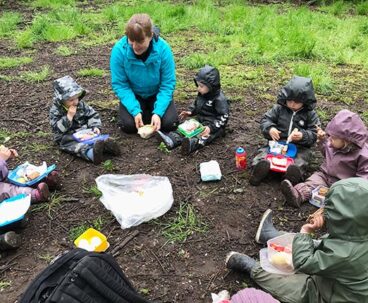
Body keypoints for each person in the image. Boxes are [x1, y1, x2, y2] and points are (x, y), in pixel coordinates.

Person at [226, 177, 368, 303]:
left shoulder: (346, 254)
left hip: (327, 296)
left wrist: (305, 232)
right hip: (333, 279)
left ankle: (252, 267)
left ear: (341, 220)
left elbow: (304, 262)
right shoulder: (359, 232)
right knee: (310, 245)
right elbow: (332, 247)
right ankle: (270, 235)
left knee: (290, 283)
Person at [281, 109, 368, 207]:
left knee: (340, 197)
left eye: (333, 138)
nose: (330, 140)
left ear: (347, 141)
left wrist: (353, 190)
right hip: (325, 175)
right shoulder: (334, 144)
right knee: (312, 182)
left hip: (344, 184)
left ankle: (337, 205)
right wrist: (322, 141)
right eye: (329, 136)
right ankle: (297, 195)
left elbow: (364, 177)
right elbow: (326, 152)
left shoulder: (363, 154)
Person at [110, 13, 178, 134]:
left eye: (140, 41)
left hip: (157, 93)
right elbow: (120, 85)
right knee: (128, 126)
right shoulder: (119, 51)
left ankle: (151, 111)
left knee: (169, 124)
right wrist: (135, 110)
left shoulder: (163, 49)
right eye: (131, 41)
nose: (135, 46)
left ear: (150, 35)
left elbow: (167, 83)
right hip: (134, 94)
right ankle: (141, 111)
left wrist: (158, 112)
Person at [249, 76, 319, 186]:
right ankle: (259, 170)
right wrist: (270, 128)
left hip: (300, 146)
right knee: (264, 154)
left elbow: (314, 133)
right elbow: (266, 119)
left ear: (305, 101)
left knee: (301, 160)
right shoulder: (279, 108)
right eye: (289, 100)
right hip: (277, 142)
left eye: (297, 102)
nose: (292, 104)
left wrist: (302, 136)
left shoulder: (310, 114)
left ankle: (291, 177)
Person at [157, 65, 229, 155]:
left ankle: (191, 144)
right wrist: (190, 111)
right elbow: (196, 104)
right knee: (187, 127)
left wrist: (211, 128)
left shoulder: (219, 99)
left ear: (211, 86)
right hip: (200, 119)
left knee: (204, 135)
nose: (198, 88)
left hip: (213, 124)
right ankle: (172, 139)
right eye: (198, 85)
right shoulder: (202, 94)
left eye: (201, 86)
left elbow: (223, 116)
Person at [49, 75, 120, 165]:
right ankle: (92, 154)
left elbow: (92, 114)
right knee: (72, 144)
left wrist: (95, 126)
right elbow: (56, 129)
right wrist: (68, 117)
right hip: (67, 135)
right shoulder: (55, 110)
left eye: (77, 97)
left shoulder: (81, 105)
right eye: (71, 100)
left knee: (95, 137)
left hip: (84, 131)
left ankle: (107, 146)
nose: (75, 102)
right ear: (61, 100)